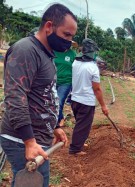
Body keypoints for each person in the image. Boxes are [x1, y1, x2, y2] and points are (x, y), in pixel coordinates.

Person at [0, 3, 77, 187]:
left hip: (36, 137)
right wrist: (29, 140)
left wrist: (54, 127)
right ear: (49, 26)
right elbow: (15, 96)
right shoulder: (26, 50)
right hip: (21, 138)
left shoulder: (46, 54)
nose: (68, 41)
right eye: (66, 34)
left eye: (72, 37)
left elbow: (44, 96)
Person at [69, 38, 109, 155]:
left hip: (75, 99)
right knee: (83, 126)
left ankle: (79, 143)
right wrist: (103, 106)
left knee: (80, 124)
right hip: (86, 102)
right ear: (92, 52)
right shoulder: (93, 68)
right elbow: (97, 89)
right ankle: (75, 149)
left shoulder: (75, 63)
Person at [54, 47, 76, 126]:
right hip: (53, 81)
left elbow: (76, 67)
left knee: (59, 102)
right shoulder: (54, 51)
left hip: (66, 82)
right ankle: (60, 117)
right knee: (52, 101)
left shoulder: (72, 54)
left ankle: (59, 121)